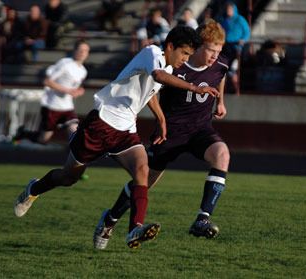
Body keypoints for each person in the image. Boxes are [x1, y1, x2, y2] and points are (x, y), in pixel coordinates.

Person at [13, 26, 219, 249]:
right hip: (101, 123)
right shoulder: (152, 53)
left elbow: (150, 92)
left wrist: (161, 120)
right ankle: (34, 189)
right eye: (185, 53)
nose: (185, 59)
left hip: (126, 129)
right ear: (170, 46)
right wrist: (193, 87)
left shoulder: (165, 65)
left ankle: (134, 230)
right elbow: (158, 76)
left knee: (143, 170)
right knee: (68, 177)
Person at [93, 20, 230, 249]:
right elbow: (151, 90)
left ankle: (202, 219)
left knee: (222, 155)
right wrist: (161, 119)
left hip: (200, 130)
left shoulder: (220, 65)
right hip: (170, 133)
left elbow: (221, 74)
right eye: (211, 50)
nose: (215, 56)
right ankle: (110, 218)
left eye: (219, 51)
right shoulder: (175, 66)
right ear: (197, 47)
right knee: (143, 182)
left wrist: (220, 101)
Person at [14, 40, 90, 145]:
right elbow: (47, 81)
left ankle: (76, 159)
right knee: (43, 139)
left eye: (85, 51)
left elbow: (76, 86)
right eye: (80, 50)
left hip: (67, 108)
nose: (83, 53)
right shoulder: (65, 63)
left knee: (75, 131)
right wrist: (67, 90)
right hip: (52, 107)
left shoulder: (83, 71)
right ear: (74, 50)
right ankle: (23, 133)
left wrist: (80, 90)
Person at [219, 1, 250, 95]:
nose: (228, 11)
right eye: (227, 9)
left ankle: (237, 89)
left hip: (236, 48)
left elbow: (247, 32)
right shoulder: (225, 21)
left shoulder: (240, 19)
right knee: (225, 69)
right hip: (226, 47)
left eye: (230, 9)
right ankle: (227, 90)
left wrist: (243, 40)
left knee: (233, 69)